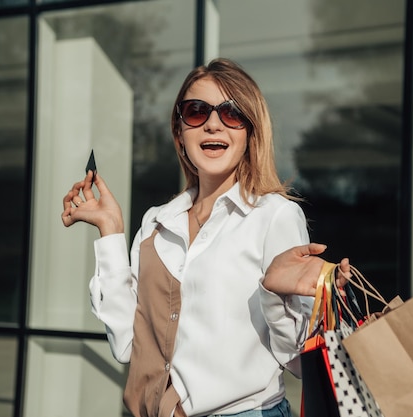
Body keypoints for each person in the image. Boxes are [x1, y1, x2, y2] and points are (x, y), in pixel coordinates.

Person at [61, 58, 351, 417]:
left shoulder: (274, 216)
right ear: (180, 131)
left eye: (231, 113)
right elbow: (126, 347)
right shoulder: (155, 224)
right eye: (196, 111)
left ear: (250, 132)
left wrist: (274, 295)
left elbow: (295, 361)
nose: (213, 124)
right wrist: (110, 232)